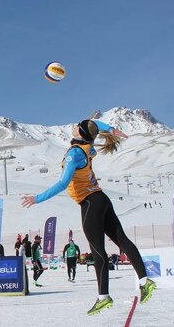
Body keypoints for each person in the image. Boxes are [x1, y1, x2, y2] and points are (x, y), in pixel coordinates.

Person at [21, 118, 155, 316]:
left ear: (81, 133)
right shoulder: (87, 147)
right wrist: (111, 129)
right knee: (122, 240)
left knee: (97, 250)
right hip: (101, 199)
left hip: (90, 203)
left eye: (77, 126)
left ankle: (104, 297)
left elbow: (62, 183)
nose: (73, 126)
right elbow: (94, 125)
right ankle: (145, 281)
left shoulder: (74, 153)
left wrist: (37, 198)